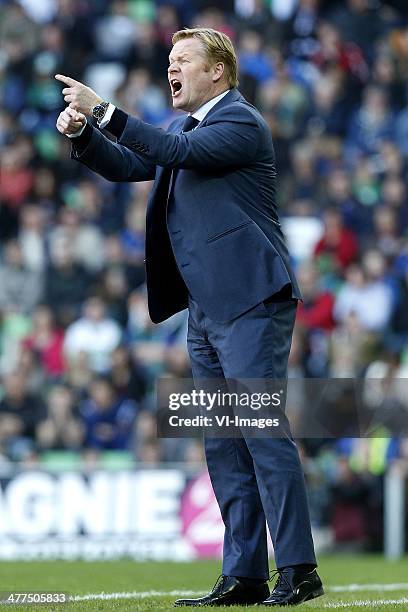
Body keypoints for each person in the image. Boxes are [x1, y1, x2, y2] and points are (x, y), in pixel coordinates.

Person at [55, 27, 323, 607]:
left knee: (262, 435)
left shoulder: (240, 124)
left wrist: (105, 109)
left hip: (251, 299)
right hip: (206, 309)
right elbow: (131, 165)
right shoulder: (186, 129)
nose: (170, 70)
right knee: (222, 443)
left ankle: (298, 568)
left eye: (183, 61)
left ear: (218, 72)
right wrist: (84, 136)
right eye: (169, 61)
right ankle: (244, 574)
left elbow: (174, 154)